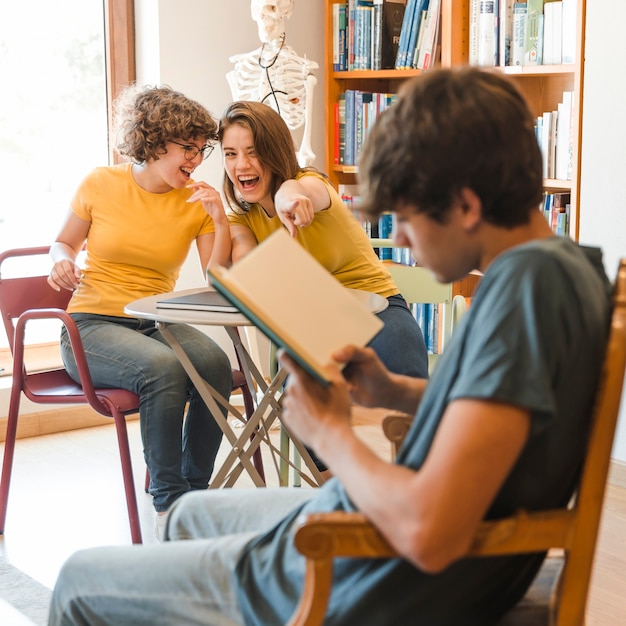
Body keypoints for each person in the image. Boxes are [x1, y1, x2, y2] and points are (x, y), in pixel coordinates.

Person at [48, 67, 611, 626]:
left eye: (407, 218)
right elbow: (493, 407)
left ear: (464, 205)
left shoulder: (526, 296)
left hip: (369, 575)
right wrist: (393, 389)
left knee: (78, 578)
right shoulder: (558, 272)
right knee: (188, 515)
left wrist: (332, 437)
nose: (402, 241)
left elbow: (427, 530)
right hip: (381, 543)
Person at [46, 85, 234, 534]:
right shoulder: (101, 183)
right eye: (186, 148)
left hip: (153, 321)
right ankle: (169, 502)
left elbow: (218, 280)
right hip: (90, 327)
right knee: (161, 369)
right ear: (154, 140)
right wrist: (61, 261)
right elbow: (64, 241)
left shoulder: (196, 202)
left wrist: (220, 219)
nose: (195, 159)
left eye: (200, 149)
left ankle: (193, 492)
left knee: (215, 364)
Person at [221, 99, 429, 382]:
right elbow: (245, 264)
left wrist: (289, 200)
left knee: (401, 384)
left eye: (253, 152)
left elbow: (298, 191)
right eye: (230, 154)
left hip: (377, 309)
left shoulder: (312, 185)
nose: (241, 165)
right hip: (314, 325)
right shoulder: (241, 217)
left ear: (274, 152)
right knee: (302, 399)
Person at [226, 0, 319, 167]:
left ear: (285, 12)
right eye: (258, 11)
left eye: (271, 9)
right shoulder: (244, 64)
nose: (263, 16)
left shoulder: (299, 66)